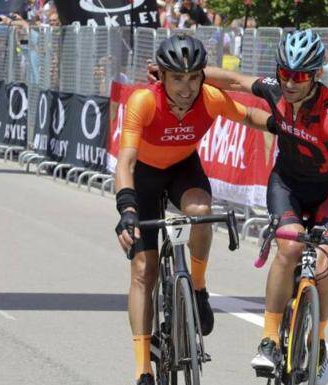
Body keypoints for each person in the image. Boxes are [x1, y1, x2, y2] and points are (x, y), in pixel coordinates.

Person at [197, 30, 328, 384]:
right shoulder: (275, 89)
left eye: (299, 76)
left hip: (327, 192)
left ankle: (321, 342)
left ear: (316, 76)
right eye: (285, 73)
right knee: (291, 246)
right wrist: (189, 75)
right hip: (287, 186)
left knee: (325, 263)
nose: (290, 82)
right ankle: (268, 339)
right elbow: (234, 79)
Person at [115, 34, 269, 385]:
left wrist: (287, 128)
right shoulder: (144, 101)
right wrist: (126, 209)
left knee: (200, 210)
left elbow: (250, 117)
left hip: (184, 168)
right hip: (144, 178)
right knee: (144, 268)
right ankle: (143, 368)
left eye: (193, 78)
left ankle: (197, 289)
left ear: (203, 77)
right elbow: (126, 160)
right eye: (177, 79)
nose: (186, 88)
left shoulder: (210, 98)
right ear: (162, 77)